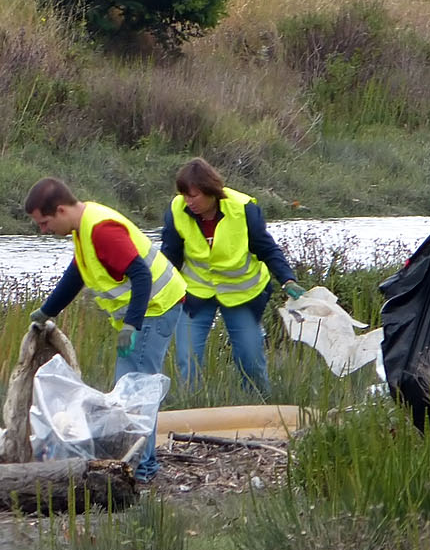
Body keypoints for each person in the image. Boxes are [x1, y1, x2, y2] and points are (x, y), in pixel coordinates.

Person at [24, 177, 186, 482]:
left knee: (134, 391)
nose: (44, 230)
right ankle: (140, 463)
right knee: (130, 389)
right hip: (148, 310)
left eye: (44, 223)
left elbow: (141, 275)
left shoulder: (101, 230)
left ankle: (142, 468)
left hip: (156, 308)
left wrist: (132, 324)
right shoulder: (84, 228)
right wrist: (48, 310)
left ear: (60, 210)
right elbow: (77, 273)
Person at [159, 157, 302, 398]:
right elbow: (170, 256)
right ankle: (193, 406)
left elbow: (268, 250)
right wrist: (155, 290)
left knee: (250, 358)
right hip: (196, 294)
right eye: (184, 195)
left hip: (241, 294)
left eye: (194, 196)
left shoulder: (244, 209)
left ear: (211, 191)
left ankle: (258, 403)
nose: (188, 202)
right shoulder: (177, 210)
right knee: (188, 358)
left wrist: (288, 280)